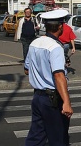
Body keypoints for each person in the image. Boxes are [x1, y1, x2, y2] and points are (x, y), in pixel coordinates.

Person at [24, 9, 73, 145]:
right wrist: (66, 102)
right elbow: (58, 75)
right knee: (58, 137)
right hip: (52, 99)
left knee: (36, 136)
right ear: (60, 27)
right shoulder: (55, 47)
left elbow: (26, 70)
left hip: (38, 97)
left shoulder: (34, 43)